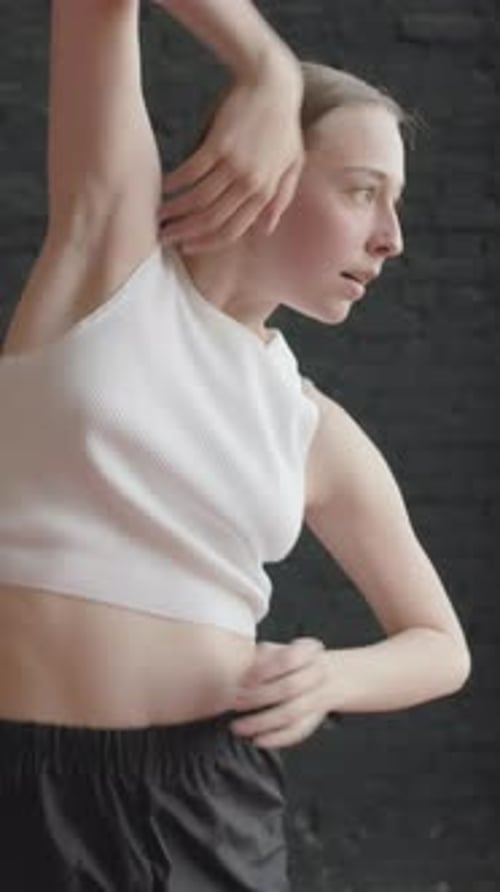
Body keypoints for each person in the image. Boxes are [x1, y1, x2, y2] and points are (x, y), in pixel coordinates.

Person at [0, 0, 471, 890]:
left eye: (395, 204)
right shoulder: (108, 264)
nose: (392, 238)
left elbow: (441, 645)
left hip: (201, 807)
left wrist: (331, 678)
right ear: (269, 161)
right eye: (363, 189)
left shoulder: (312, 426)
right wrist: (268, 65)